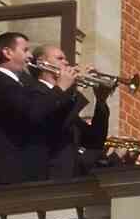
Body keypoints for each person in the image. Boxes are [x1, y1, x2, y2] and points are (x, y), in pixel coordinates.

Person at [0, 31, 79, 186]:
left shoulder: (21, 83)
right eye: (25, 50)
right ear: (7, 52)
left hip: (26, 171)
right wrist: (60, 88)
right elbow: (33, 112)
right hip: (8, 172)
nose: (30, 56)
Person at [26, 45, 112, 180]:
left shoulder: (66, 100)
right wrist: (74, 88)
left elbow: (94, 140)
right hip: (47, 175)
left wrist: (101, 101)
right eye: (60, 58)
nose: (66, 62)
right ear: (43, 62)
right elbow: (56, 124)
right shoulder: (34, 91)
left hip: (71, 176)